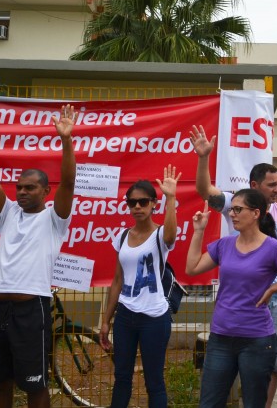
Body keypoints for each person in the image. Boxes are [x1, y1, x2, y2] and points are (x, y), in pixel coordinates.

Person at [0, 103, 76, 408]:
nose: (21, 192)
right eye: (18, 187)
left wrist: (67, 141)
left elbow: (68, 182)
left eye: (30, 188)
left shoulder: (54, 219)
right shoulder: (7, 214)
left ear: (45, 192)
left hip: (32, 310)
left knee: (35, 385)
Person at [190, 124, 277, 403]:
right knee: (216, 391)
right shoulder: (233, 203)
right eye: (271, 185)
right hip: (232, 305)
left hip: (267, 303)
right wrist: (203, 157)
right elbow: (205, 190)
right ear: (254, 185)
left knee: (266, 376)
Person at [99, 168, 179, 408]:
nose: (137, 207)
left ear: (154, 204)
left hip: (154, 317)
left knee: (154, 382)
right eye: (132, 202)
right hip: (125, 316)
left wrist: (171, 198)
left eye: (143, 202)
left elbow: (172, 236)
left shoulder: (160, 235)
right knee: (121, 378)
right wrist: (106, 320)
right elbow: (117, 281)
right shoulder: (122, 237)